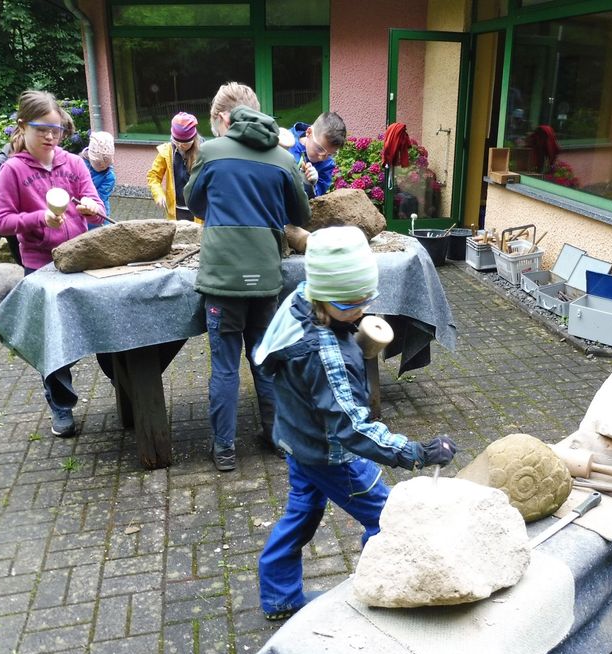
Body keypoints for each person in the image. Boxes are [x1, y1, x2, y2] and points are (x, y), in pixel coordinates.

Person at [254, 226, 458, 620]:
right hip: (331, 454)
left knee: (301, 514)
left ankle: (280, 596)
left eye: (366, 299)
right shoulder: (325, 356)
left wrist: (347, 325)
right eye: (351, 304)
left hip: (298, 440)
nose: (362, 310)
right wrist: (415, 452)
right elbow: (352, 427)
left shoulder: (301, 299)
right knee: (387, 519)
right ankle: (380, 588)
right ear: (325, 296)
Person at [185, 81, 311, 471]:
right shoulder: (283, 158)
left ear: (223, 118)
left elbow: (194, 203)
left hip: (223, 280)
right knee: (265, 359)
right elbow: (301, 215)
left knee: (225, 367)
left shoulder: (210, 152)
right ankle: (277, 439)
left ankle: (224, 450)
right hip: (266, 277)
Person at [0, 89, 104, 438]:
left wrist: (92, 209)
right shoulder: (12, 170)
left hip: (80, 256)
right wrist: (39, 218)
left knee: (103, 324)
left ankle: (129, 388)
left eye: (56, 130)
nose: (50, 137)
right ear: (23, 126)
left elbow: (98, 207)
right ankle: (61, 406)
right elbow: (2, 222)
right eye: (42, 129)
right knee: (53, 339)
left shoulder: (73, 164)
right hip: (40, 265)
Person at [278, 111, 346, 198]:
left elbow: (317, 199)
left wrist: (310, 184)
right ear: (309, 132)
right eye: (320, 149)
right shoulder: (285, 140)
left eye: (329, 154)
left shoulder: (327, 164)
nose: (322, 157)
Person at [147, 112, 200, 221]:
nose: (180, 146)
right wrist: (158, 194)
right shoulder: (166, 152)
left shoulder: (203, 152)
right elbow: (153, 176)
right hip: (176, 211)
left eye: (185, 144)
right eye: (176, 142)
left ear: (193, 139)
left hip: (198, 211)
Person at [81, 131, 115, 229]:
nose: (102, 167)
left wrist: (99, 216)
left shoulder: (109, 177)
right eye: (98, 164)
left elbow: (100, 198)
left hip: (97, 211)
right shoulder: (79, 165)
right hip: (79, 209)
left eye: (106, 164)